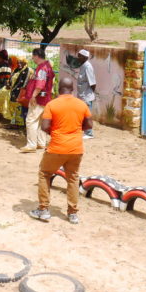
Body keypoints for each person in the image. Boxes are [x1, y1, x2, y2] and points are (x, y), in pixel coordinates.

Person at [28, 77, 92, 225]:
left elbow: (44, 126)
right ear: (72, 89)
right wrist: (75, 131)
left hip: (57, 147)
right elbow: (89, 124)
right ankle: (73, 214)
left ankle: (43, 210)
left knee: (45, 173)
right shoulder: (81, 105)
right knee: (73, 178)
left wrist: (56, 133)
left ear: (58, 89)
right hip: (76, 148)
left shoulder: (52, 105)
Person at [20, 48, 55, 153]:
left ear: (36, 56)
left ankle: (31, 145)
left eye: (33, 56)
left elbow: (40, 84)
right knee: (40, 121)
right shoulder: (47, 66)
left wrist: (33, 96)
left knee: (31, 120)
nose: (32, 58)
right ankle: (41, 142)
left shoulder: (42, 68)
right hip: (45, 98)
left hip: (39, 99)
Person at [0, 56, 32, 127]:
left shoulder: (27, 70)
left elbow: (24, 83)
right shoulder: (17, 69)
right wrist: (8, 84)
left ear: (25, 63)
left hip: (20, 90)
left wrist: (13, 90)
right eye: (18, 63)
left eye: (21, 63)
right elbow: (10, 78)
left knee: (13, 101)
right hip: (13, 88)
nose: (19, 64)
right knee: (0, 93)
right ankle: (0, 114)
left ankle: (16, 123)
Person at [76, 49, 97, 139]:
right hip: (82, 95)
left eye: (79, 56)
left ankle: (89, 133)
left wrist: (90, 93)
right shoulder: (82, 66)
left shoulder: (88, 67)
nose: (78, 58)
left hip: (86, 96)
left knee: (87, 115)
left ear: (84, 57)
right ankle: (84, 131)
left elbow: (92, 83)